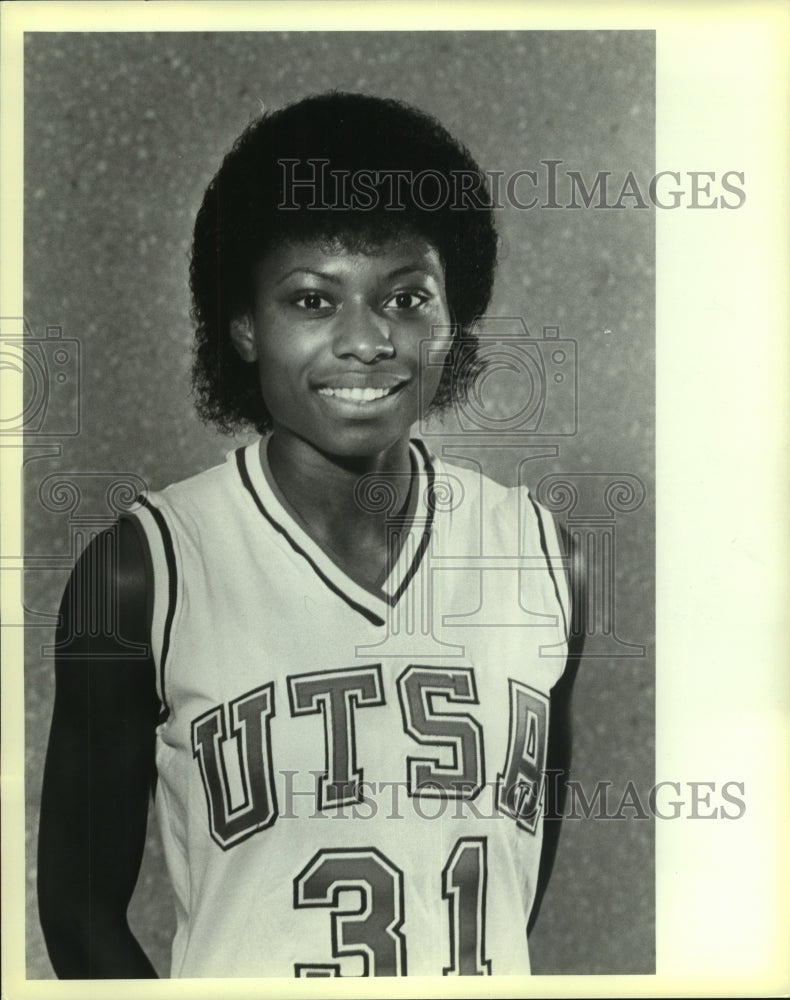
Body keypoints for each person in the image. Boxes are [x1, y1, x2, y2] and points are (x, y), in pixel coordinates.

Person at [37, 91, 582, 978]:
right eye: (312, 300)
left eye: (406, 297)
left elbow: (516, 878)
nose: (366, 340)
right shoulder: (142, 572)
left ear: (455, 319)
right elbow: (77, 911)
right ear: (246, 326)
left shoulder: (542, 558)